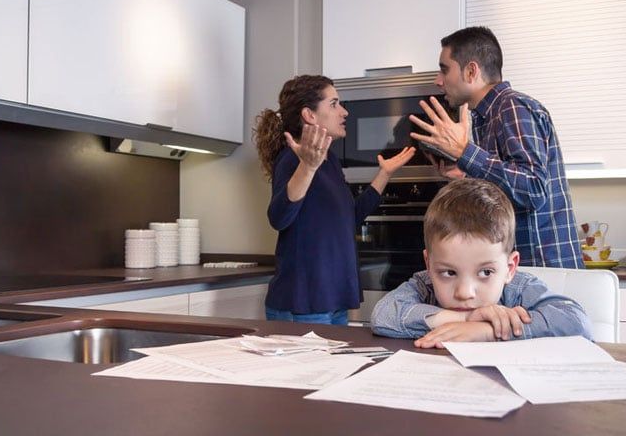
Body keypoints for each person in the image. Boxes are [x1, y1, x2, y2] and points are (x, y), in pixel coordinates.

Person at [409, 26, 583, 269]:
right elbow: (508, 189)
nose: (438, 81)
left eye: (444, 69)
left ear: (471, 71)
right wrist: (466, 175)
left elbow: (532, 189)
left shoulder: (512, 107)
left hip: (544, 270)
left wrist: (464, 152)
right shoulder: (484, 118)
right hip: (521, 269)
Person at [253, 75, 415, 325]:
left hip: (333, 301)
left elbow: (351, 217)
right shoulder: (292, 159)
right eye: (334, 104)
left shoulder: (329, 162)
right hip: (305, 304)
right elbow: (279, 217)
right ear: (310, 115)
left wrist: (385, 173)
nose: (344, 112)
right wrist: (307, 167)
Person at [370, 179, 593, 348]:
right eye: (449, 272)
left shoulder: (520, 288)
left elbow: (577, 322)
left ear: (510, 268)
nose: (465, 293)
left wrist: (487, 330)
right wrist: (465, 318)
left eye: (486, 272)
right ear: (428, 264)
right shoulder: (424, 284)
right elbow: (383, 316)